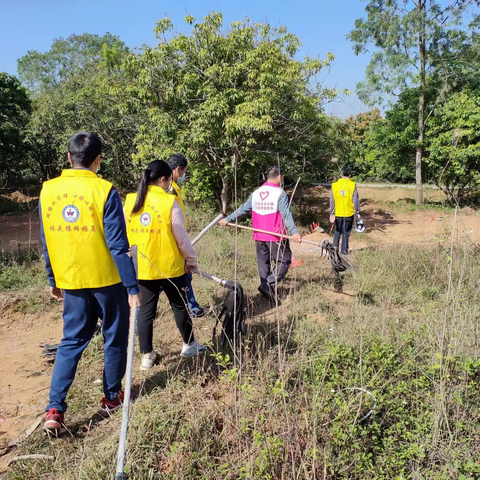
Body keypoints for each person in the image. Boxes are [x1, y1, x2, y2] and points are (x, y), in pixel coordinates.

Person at [39, 132, 141, 433]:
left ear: (69, 158)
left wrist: (52, 278)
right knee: (114, 338)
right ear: (98, 160)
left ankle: (55, 409)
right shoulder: (104, 190)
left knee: (71, 342)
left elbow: (46, 240)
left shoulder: (48, 190)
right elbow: (118, 245)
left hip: (72, 279)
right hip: (107, 281)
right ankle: (111, 398)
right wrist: (132, 287)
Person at [124, 159, 206, 370]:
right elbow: (182, 237)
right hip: (170, 267)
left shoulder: (131, 201)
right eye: (169, 180)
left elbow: (124, 234)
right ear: (163, 179)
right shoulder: (170, 203)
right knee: (179, 306)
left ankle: (146, 356)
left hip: (142, 268)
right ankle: (189, 345)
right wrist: (191, 260)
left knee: (145, 313)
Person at [219, 165, 301, 300]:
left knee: (264, 264)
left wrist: (228, 219)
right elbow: (286, 215)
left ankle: (266, 288)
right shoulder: (280, 193)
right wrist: (294, 232)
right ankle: (268, 284)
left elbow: (242, 210)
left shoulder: (256, 193)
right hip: (275, 235)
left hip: (259, 234)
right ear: (280, 176)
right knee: (285, 260)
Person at [167, 153, 205, 318]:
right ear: (177, 170)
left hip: (175, 237)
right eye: (183, 172)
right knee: (184, 274)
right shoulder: (168, 190)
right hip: (172, 240)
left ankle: (192, 306)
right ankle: (192, 308)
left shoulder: (173, 187)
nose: (183, 176)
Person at [329, 165, 361, 255]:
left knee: (337, 231)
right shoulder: (352, 185)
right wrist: (357, 212)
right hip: (349, 213)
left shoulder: (334, 185)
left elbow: (332, 200)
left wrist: (332, 213)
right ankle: (343, 251)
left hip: (338, 213)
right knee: (346, 233)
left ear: (341, 174)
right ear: (350, 175)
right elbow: (355, 200)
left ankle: (334, 249)